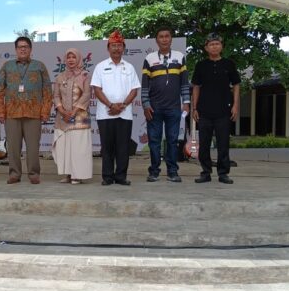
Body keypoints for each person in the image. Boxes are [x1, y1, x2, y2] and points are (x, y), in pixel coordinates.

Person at [0, 36, 52, 184]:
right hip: (11, 113)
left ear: (30, 49)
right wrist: (0, 111)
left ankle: (33, 174)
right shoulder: (7, 66)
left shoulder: (39, 66)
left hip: (34, 113)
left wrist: (45, 111)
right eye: (20, 47)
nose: (23, 49)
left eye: (26, 46)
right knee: (13, 147)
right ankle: (14, 174)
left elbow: (47, 90)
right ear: (16, 50)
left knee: (33, 147)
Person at [91, 31, 141, 186]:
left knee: (123, 147)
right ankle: (107, 177)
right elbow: (97, 90)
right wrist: (111, 105)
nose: (116, 49)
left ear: (124, 48)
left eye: (119, 45)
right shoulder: (100, 67)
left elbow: (134, 90)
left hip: (124, 114)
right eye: (113, 45)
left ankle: (121, 176)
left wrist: (122, 106)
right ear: (108, 48)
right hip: (105, 114)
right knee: (107, 148)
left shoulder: (130, 67)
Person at [141, 26, 190, 183]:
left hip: (174, 107)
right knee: (154, 141)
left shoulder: (180, 57)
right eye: (161, 36)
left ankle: (172, 171)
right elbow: (144, 86)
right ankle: (154, 171)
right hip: (154, 107)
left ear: (171, 39)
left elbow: (184, 83)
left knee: (172, 140)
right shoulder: (149, 59)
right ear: (156, 40)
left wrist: (186, 102)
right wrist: (145, 104)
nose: (164, 39)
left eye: (167, 36)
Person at [191, 33, 241, 184]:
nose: (214, 46)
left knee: (223, 144)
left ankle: (223, 173)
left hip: (223, 111)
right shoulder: (201, 65)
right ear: (206, 48)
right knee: (204, 144)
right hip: (204, 111)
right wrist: (194, 108)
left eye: (217, 44)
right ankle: (205, 172)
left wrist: (236, 105)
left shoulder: (229, 64)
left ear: (221, 46)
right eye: (211, 44)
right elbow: (196, 87)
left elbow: (236, 85)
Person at [52, 48, 93, 184]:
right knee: (64, 146)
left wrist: (74, 111)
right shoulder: (60, 77)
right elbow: (56, 95)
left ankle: (77, 175)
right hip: (63, 117)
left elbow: (87, 94)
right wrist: (62, 110)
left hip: (80, 116)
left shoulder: (85, 75)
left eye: (73, 57)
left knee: (78, 147)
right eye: (68, 57)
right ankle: (68, 174)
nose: (70, 60)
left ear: (79, 59)